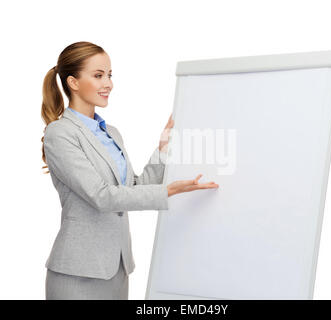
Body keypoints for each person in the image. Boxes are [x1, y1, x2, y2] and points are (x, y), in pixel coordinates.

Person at [40, 41, 219, 300]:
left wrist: (162, 150)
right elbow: (101, 196)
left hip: (118, 268)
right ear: (73, 82)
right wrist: (167, 191)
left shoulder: (111, 133)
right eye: (98, 75)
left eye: (110, 75)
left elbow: (131, 188)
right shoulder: (60, 134)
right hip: (78, 273)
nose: (108, 83)